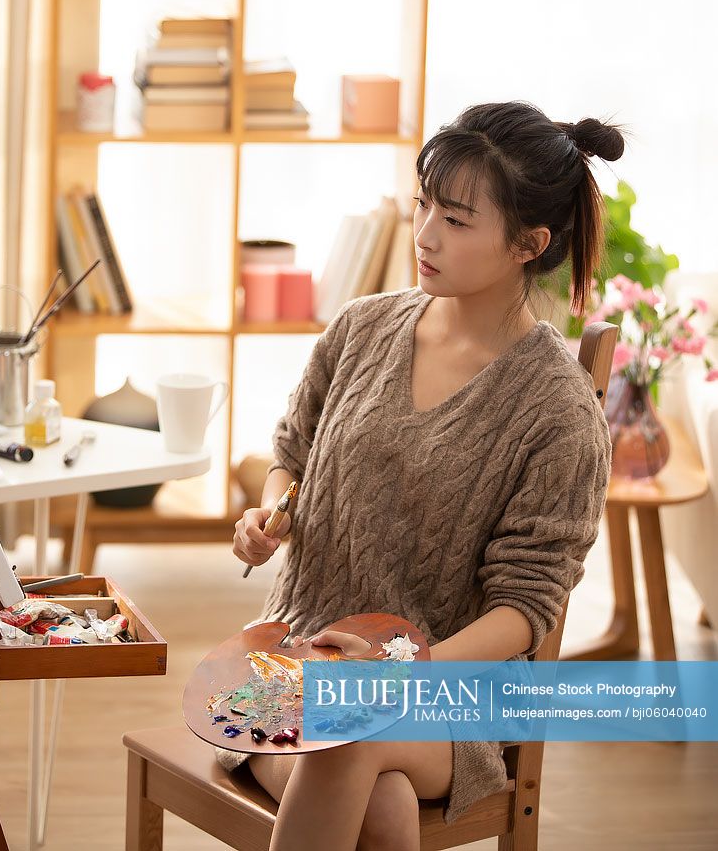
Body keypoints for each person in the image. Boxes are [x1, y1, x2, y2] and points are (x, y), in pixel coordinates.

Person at [219, 100, 624, 851]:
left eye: (458, 220)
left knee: (347, 734)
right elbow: (291, 457)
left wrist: (399, 668)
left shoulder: (557, 410)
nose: (426, 235)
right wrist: (270, 516)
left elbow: (524, 608)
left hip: (451, 697)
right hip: (296, 663)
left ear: (527, 244)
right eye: (422, 205)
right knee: (382, 806)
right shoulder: (361, 326)